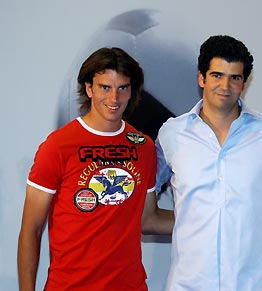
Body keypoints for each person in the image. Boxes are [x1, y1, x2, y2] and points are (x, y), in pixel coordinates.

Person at [155, 35, 262, 290]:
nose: (225, 85)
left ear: (244, 83)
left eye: (235, 77)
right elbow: (143, 203)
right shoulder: (172, 134)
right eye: (217, 75)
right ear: (201, 77)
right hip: (191, 285)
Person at [17, 47, 174, 291]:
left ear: (132, 92)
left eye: (123, 88)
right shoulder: (58, 146)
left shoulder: (143, 147)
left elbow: (149, 219)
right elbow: (31, 230)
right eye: (105, 87)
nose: (114, 98)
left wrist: (211, 219)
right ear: (89, 88)